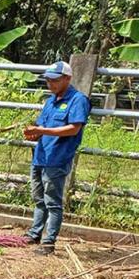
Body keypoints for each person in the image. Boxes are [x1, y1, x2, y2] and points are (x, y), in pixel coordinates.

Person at [23, 61, 91, 256]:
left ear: (67, 79)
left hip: (57, 157)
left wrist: (41, 130)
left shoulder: (77, 100)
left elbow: (74, 128)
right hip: (41, 155)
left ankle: (48, 242)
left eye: (54, 80)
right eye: (47, 79)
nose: (50, 83)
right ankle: (34, 234)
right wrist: (34, 133)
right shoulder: (50, 101)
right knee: (38, 199)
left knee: (52, 202)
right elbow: (41, 126)